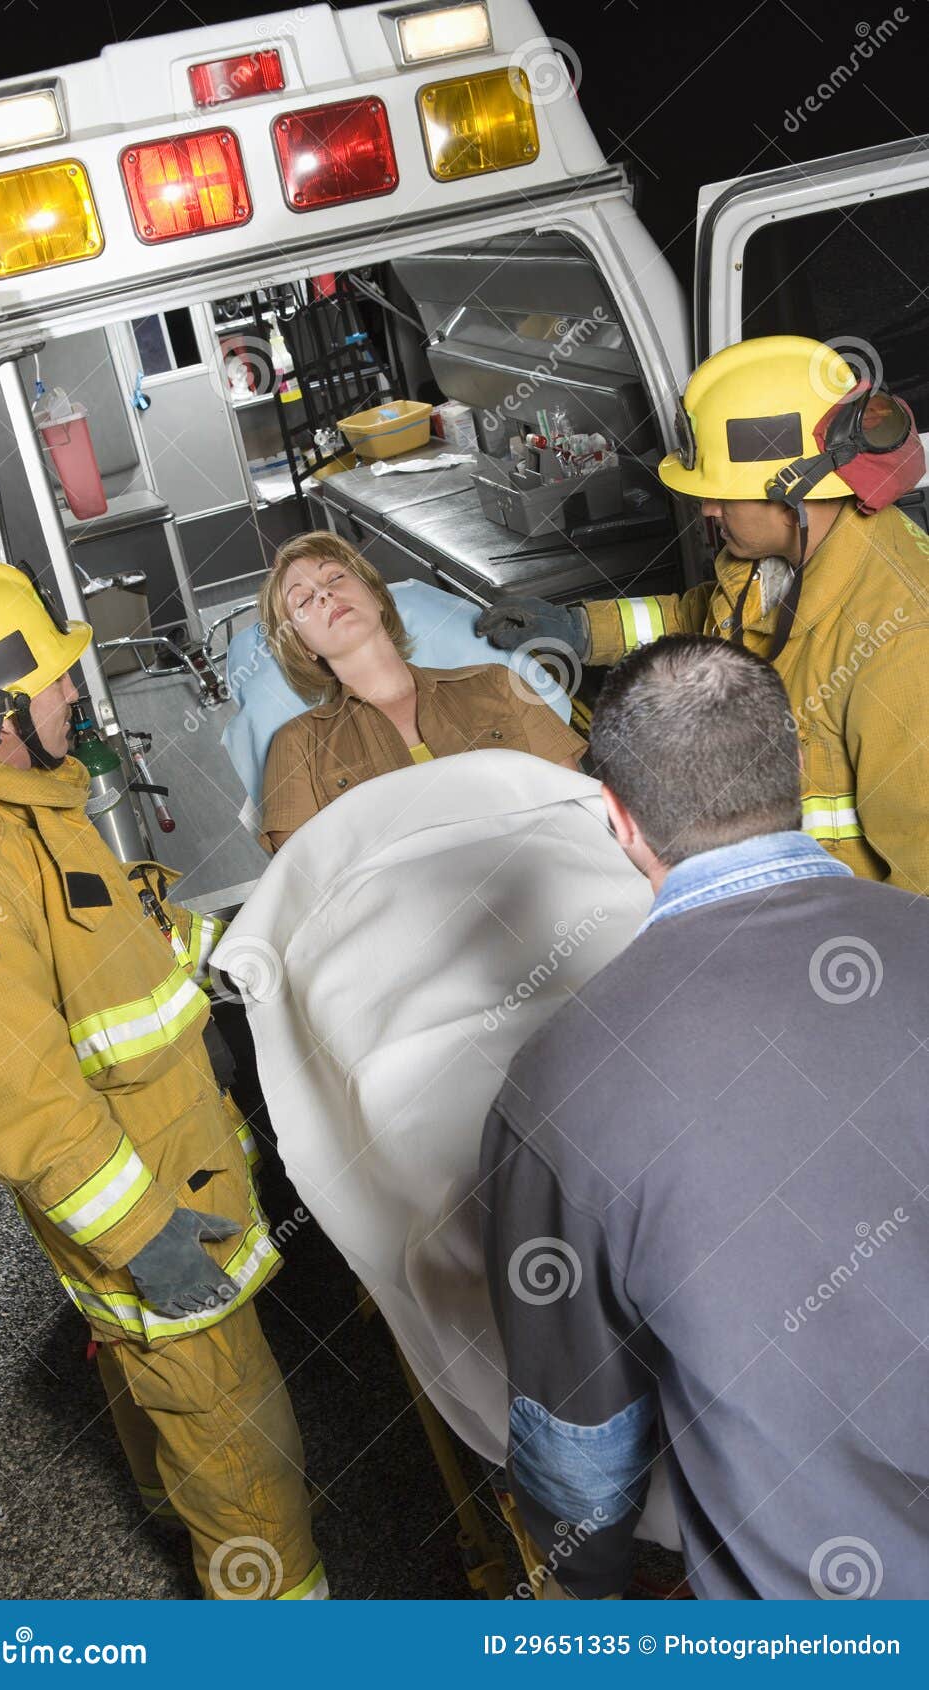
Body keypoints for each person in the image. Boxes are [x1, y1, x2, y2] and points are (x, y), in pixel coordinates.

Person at [0, 561, 325, 1602]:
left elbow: (117, 945)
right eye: (52, 682)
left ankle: (178, 1512)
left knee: (161, 1405)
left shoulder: (28, 796)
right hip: (154, 1216)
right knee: (248, 1470)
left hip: (177, 1169)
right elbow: (15, 1097)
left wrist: (248, 944)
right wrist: (141, 1238)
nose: (73, 692)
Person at [480, 634, 929, 1600]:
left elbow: (582, 1443)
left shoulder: (558, 1085)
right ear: (799, 765)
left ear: (617, 819)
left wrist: (584, 1572)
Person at [476, 335, 929, 892]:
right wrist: (582, 630)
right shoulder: (779, 560)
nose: (708, 508)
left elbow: (920, 877)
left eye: (723, 494)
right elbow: (708, 619)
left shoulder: (902, 641)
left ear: (794, 495)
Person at [257, 533, 586, 851]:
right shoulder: (298, 743)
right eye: (302, 600)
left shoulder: (497, 683)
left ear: (376, 596)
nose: (324, 595)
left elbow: (579, 812)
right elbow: (304, 878)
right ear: (302, 646)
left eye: (335, 578)